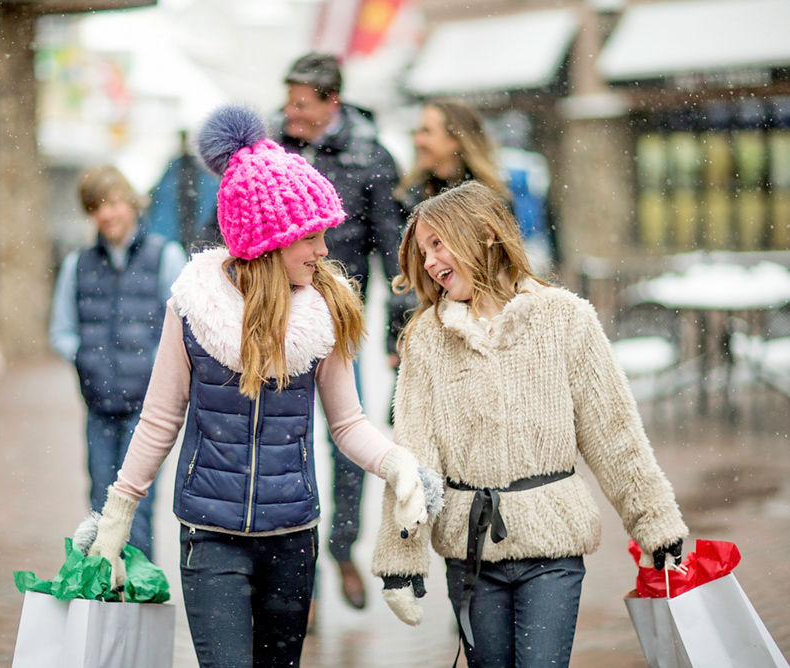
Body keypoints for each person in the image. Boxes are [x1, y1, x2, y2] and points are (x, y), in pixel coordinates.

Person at [84, 105, 428, 668]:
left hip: (293, 538)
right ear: (269, 242)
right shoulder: (194, 309)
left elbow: (346, 423)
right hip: (210, 534)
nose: (324, 251)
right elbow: (161, 417)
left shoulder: (325, 313)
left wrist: (396, 465)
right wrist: (118, 512)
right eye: (311, 239)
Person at [371, 181, 688, 667]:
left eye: (439, 244)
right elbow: (413, 459)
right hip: (471, 551)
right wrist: (401, 561)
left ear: (482, 234)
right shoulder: (425, 338)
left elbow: (615, 434)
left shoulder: (566, 319)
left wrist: (657, 526)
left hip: (553, 546)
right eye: (423, 251)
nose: (431, 262)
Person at [274, 51, 408, 613]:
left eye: (301, 104)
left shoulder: (371, 158)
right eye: (288, 101)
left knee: (346, 437)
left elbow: (394, 252)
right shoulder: (271, 152)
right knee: (283, 437)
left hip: (339, 322)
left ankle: (341, 548)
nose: (290, 113)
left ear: (332, 102)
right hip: (276, 319)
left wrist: (396, 334)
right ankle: (291, 567)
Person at [49, 165, 185, 562]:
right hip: (98, 405)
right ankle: (107, 592)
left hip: (148, 411)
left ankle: (139, 594)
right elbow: (61, 331)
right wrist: (85, 359)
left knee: (136, 506)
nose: (106, 214)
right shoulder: (78, 265)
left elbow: (181, 328)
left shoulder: (166, 256)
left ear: (131, 201)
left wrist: (157, 372)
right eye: (95, 207)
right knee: (99, 501)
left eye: (111, 203)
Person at [396, 98, 556, 276]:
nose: (417, 140)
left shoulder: (489, 199)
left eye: (427, 132)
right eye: (417, 132)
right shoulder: (409, 196)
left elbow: (504, 268)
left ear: (455, 139)